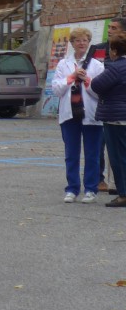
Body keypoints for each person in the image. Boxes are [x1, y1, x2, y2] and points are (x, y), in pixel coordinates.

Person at [50, 26, 103, 203]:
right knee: (71, 153)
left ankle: (91, 189)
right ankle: (72, 188)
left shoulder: (97, 66)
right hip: (69, 114)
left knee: (92, 154)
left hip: (91, 115)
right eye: (78, 40)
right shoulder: (63, 64)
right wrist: (71, 77)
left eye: (85, 40)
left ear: (89, 43)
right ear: (72, 43)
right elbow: (56, 90)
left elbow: (100, 92)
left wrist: (87, 80)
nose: (82, 43)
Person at [91, 34, 126, 208]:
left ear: (113, 51)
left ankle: (124, 194)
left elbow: (96, 85)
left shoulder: (116, 67)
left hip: (116, 117)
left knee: (118, 157)